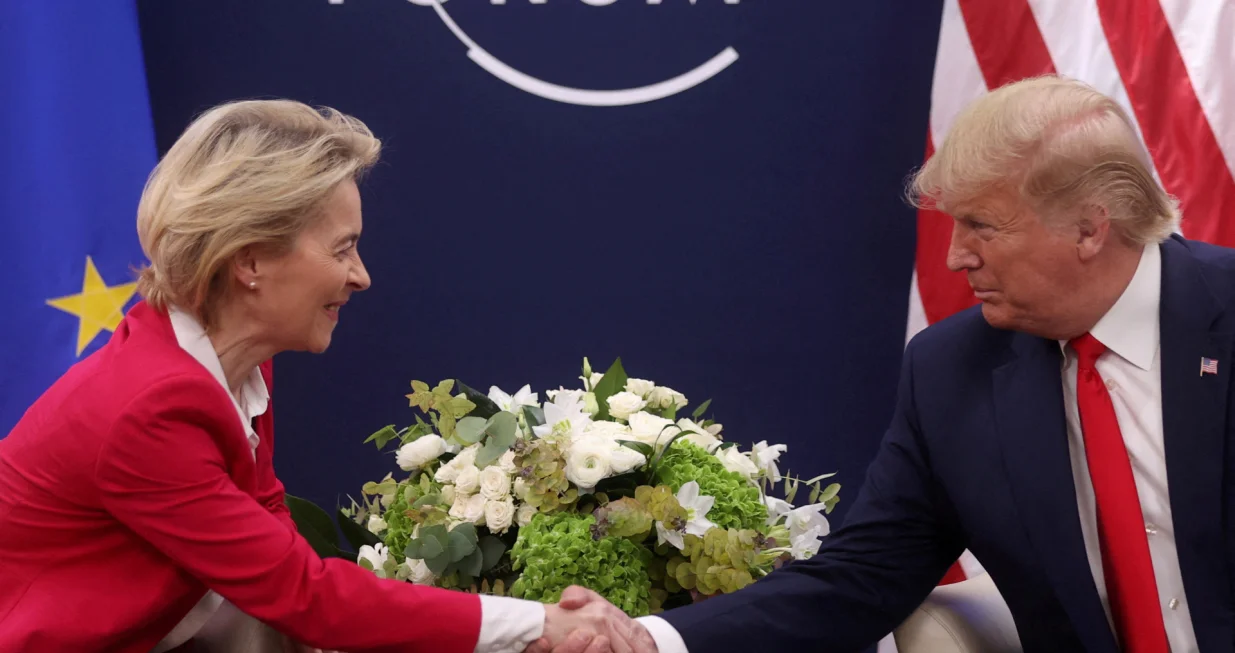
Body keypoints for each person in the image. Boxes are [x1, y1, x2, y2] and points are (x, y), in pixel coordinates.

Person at [541, 74, 1235, 652]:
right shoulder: (953, 372)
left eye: (982, 226)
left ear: (1089, 228)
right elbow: (861, 577)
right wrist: (652, 639)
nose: (955, 256)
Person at [0, 100, 614, 653]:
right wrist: (534, 625)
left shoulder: (231, 361)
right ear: (250, 261)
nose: (361, 276)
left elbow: (273, 549)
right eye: (342, 249)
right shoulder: (152, 408)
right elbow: (303, 594)